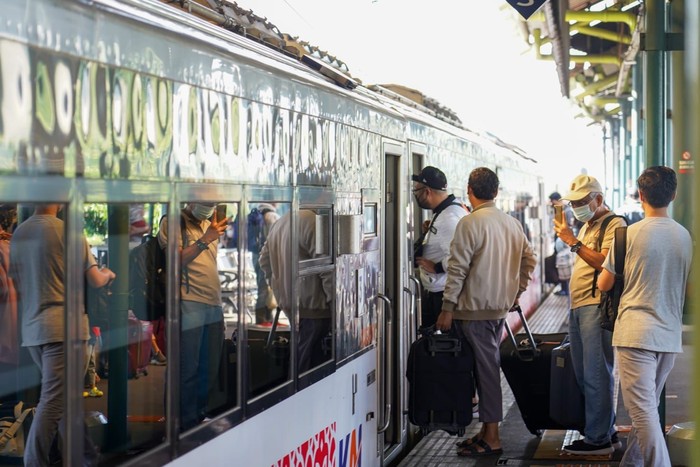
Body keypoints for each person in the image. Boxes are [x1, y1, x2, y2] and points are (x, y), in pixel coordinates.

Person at [435, 167, 536, 457]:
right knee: (486, 370)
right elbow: (530, 260)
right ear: (496, 191)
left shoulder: (470, 223)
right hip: (497, 311)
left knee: (486, 371)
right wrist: (516, 292)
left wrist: (447, 307)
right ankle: (485, 431)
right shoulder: (511, 223)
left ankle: (492, 437)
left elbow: (457, 270)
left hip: (473, 311)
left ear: (470, 190)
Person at [598, 166, 692, 466]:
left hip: (636, 332)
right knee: (647, 408)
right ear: (673, 195)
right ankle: (632, 463)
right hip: (668, 335)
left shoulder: (629, 234)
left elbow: (604, 283)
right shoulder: (684, 237)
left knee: (643, 412)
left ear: (641, 195)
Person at [9, 204, 115, 467]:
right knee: (54, 403)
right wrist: (109, 273)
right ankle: (35, 462)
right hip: (65, 330)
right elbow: (95, 280)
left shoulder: (20, 233)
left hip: (34, 331)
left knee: (65, 400)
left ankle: (86, 457)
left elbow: (17, 280)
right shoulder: (71, 232)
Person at [554, 175, 626, 455]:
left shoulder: (614, 224)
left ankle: (598, 439)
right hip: (580, 305)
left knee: (596, 373)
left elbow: (607, 263)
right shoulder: (588, 225)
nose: (578, 208)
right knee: (585, 374)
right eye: (574, 203)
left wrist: (572, 242)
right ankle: (605, 432)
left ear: (598, 198)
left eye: (583, 202)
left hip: (596, 307)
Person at [157, 203, 228, 431]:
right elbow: (174, 261)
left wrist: (210, 235)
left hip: (212, 302)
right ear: (192, 200)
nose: (209, 208)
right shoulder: (173, 222)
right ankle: (181, 424)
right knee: (186, 367)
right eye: (206, 203)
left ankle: (197, 416)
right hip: (187, 302)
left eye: (213, 204)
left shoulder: (210, 225)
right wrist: (205, 239)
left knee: (210, 366)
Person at [259, 209, 333, 372]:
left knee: (300, 359)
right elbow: (326, 269)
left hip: (291, 306)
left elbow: (264, 260)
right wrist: (336, 304)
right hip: (316, 308)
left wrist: (280, 286)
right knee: (310, 368)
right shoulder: (314, 221)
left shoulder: (281, 221)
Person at [411, 166, 468, 327]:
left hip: (443, 296)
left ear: (427, 191)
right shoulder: (449, 210)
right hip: (443, 293)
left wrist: (437, 267)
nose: (416, 195)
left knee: (440, 346)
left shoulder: (448, 218)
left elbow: (461, 258)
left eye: (416, 191)